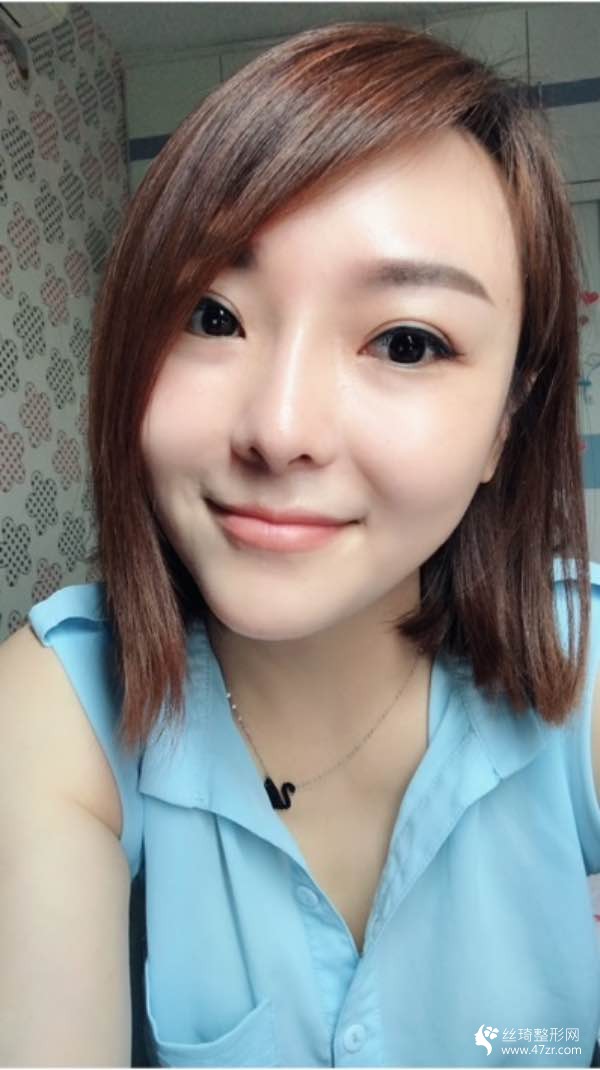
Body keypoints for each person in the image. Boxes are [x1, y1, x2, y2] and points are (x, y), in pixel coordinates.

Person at [1, 18, 600, 1069]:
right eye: (211, 315)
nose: (278, 430)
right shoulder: (58, 705)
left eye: (406, 341)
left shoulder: (583, 666)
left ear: (507, 422)